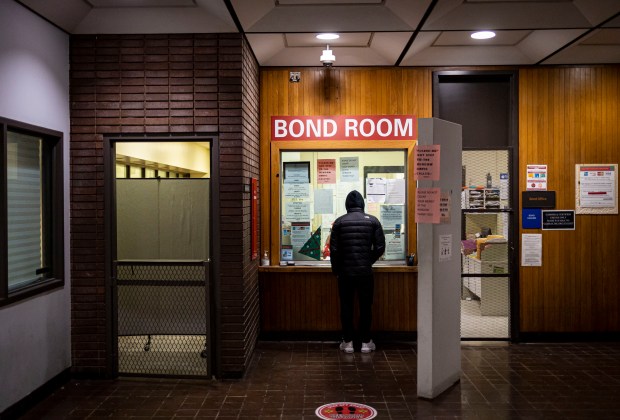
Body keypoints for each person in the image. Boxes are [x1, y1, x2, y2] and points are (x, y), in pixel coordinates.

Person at [330, 190, 385, 353]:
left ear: (347, 204)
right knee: (365, 306)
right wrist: (368, 260)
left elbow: (334, 250)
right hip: (365, 273)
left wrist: (336, 270)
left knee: (346, 306)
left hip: (345, 273)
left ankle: (347, 342)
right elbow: (380, 247)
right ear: (362, 204)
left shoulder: (339, 222)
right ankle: (366, 342)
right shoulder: (373, 221)